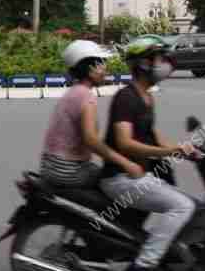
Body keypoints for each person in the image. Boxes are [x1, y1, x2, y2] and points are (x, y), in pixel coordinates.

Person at [98, 35, 197, 271]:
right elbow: (125, 143)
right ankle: (143, 267)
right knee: (181, 206)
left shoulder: (146, 98)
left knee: (185, 201)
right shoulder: (126, 98)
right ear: (144, 64)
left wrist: (186, 149)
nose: (165, 64)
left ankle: (153, 255)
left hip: (138, 175)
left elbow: (151, 134)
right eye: (159, 59)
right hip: (120, 177)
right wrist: (170, 151)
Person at [40, 41, 139, 188]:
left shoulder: (73, 92)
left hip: (49, 166)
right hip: (69, 170)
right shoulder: (86, 96)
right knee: (122, 184)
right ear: (91, 68)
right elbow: (91, 140)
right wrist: (126, 163)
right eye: (103, 64)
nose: (107, 70)